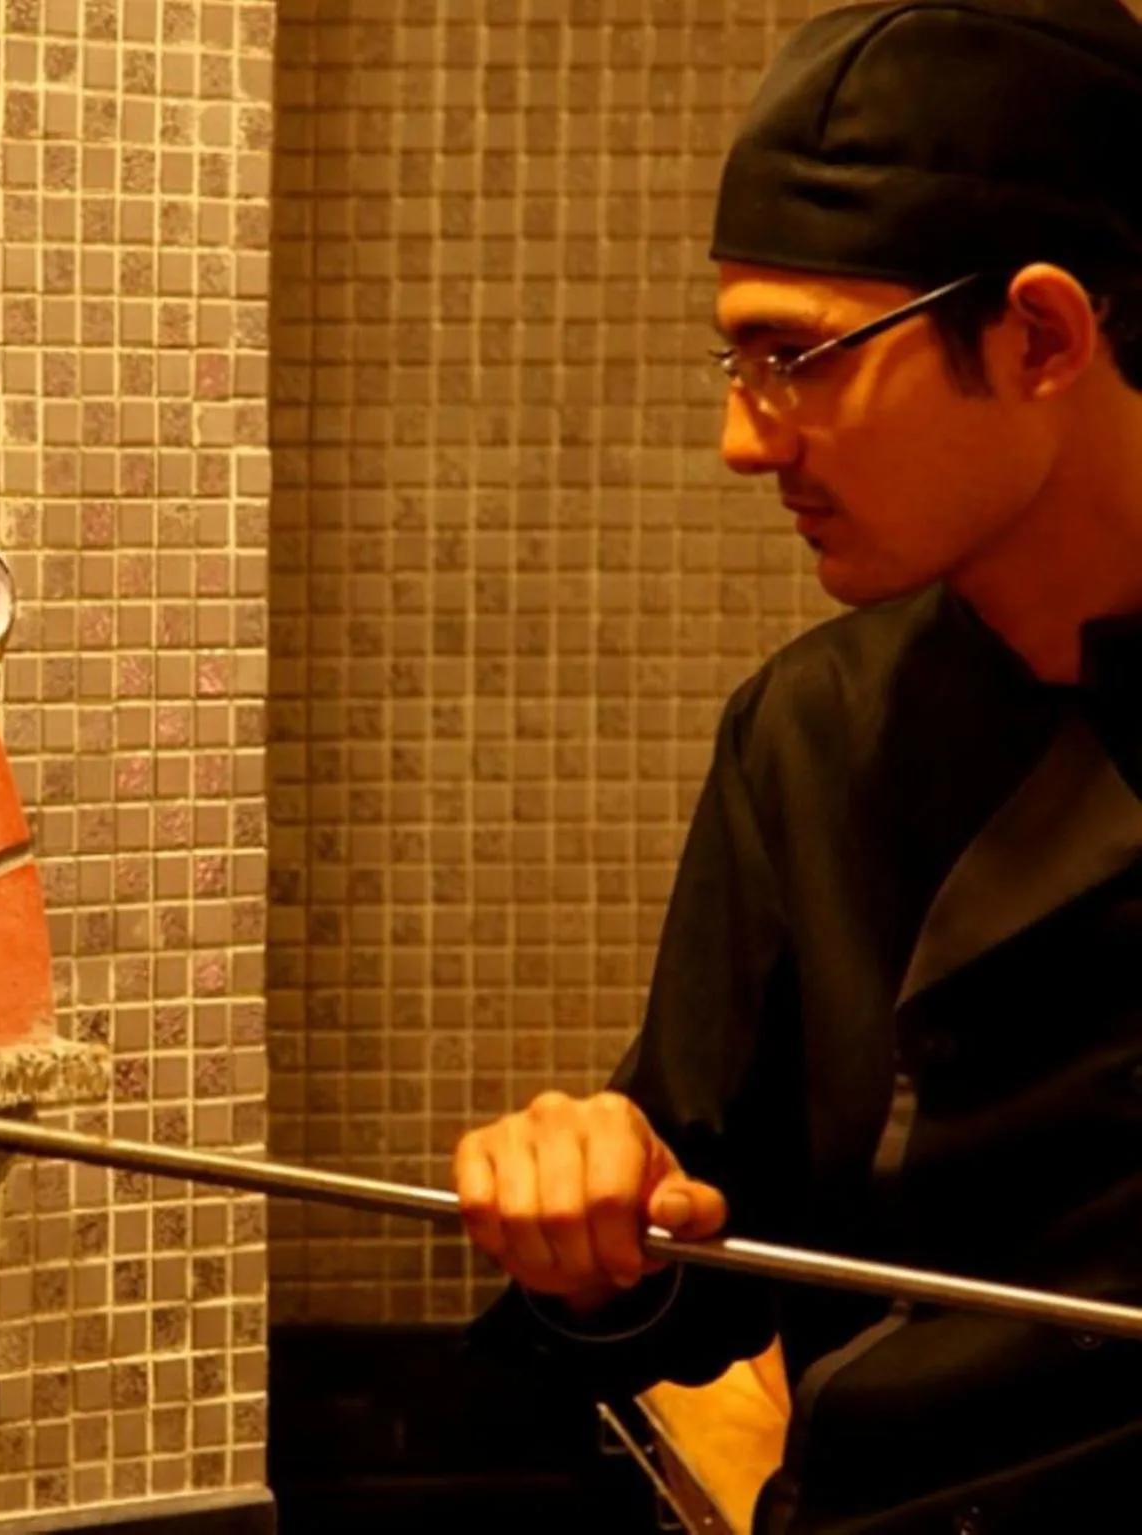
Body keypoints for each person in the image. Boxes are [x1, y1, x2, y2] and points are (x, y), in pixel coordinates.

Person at [451, 2, 1142, 1529]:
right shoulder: (811, 735)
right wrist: (595, 1214)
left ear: (1039, 336)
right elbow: (695, 1260)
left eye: (793, 357)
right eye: (736, 357)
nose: (740, 439)